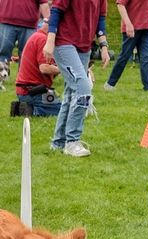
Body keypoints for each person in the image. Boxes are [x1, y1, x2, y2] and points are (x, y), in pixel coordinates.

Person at [43, 0, 109, 157]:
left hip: (84, 47)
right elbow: (56, 12)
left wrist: (104, 46)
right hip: (64, 43)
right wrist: (50, 41)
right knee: (83, 88)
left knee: (71, 93)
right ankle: (72, 141)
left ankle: (59, 142)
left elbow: (100, 19)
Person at [103, 0, 148, 92]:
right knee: (124, 56)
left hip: (146, 29)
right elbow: (120, 4)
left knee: (147, 57)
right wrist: (128, 24)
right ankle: (110, 84)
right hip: (131, 28)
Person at [15, 22, 59, 116]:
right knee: (65, 112)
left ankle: (24, 108)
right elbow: (44, 68)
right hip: (33, 91)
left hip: (27, 90)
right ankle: (33, 111)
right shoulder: (43, 40)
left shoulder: (37, 36)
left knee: (62, 107)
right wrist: (66, 69)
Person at [0, 0, 48, 65]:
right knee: (3, 55)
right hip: (6, 21)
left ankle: (23, 75)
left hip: (29, 25)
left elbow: (43, 2)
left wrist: (48, 21)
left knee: (27, 57)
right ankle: (0, 74)